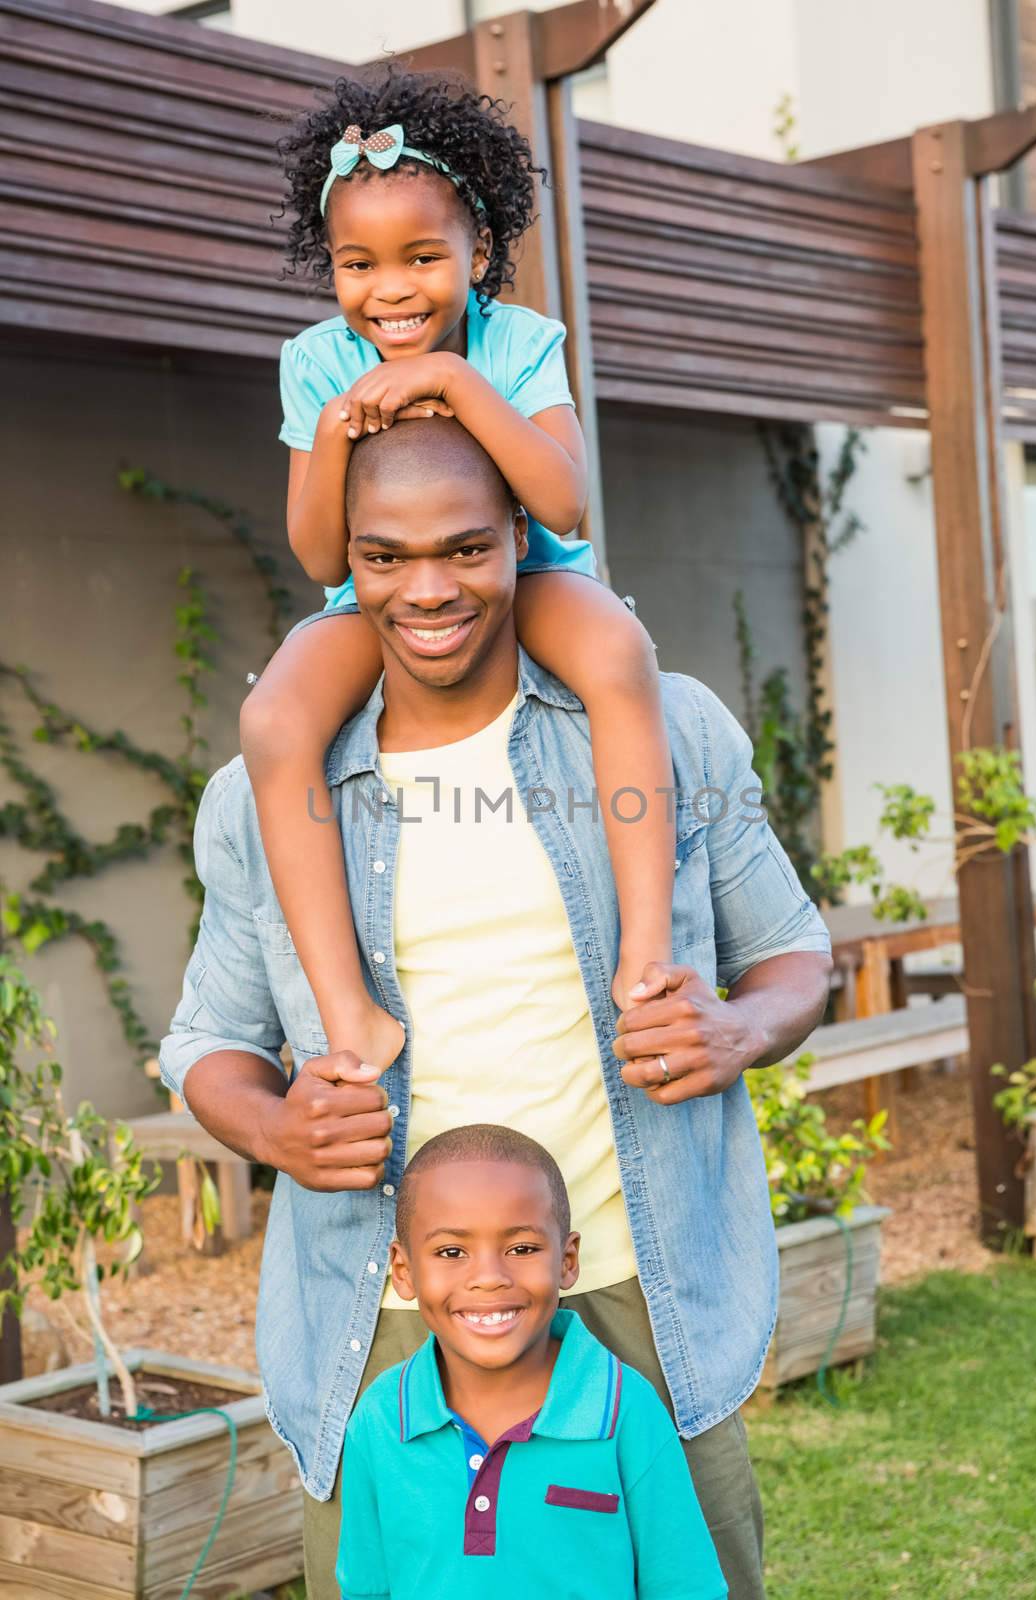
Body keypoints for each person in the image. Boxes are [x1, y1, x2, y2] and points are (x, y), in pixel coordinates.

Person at [159, 417, 833, 1600]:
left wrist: (733, 1030)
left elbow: (791, 957)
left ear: (521, 535)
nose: (428, 591)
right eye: (384, 556)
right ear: (346, 563)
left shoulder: (661, 728)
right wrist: (273, 1130)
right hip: (385, 1305)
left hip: (636, 1280)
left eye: (467, 548)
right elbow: (209, 1041)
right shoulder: (264, 791)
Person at [240, 65, 675, 1079]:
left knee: (617, 651)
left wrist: (451, 381)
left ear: (477, 251)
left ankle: (644, 949)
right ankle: (349, 1009)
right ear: (330, 267)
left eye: (422, 257)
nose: (389, 290)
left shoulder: (517, 341)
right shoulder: (314, 363)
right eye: (357, 264)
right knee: (272, 722)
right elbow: (316, 554)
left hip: (530, 573)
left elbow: (562, 501)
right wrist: (342, 430)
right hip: (379, 598)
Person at [336, 1124, 728, 1600]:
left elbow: (685, 1587)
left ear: (566, 1260)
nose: (489, 1277)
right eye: (451, 1251)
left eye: (521, 1248)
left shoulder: (625, 1410)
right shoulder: (379, 1421)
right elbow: (367, 1589)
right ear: (404, 1271)